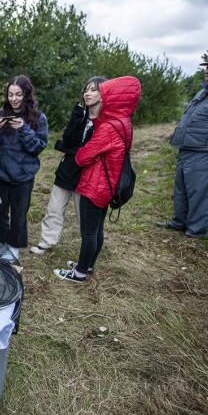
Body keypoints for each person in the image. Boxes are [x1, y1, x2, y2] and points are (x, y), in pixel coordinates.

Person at [54, 76, 141, 282]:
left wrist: (85, 151)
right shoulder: (124, 122)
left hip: (95, 185)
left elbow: (83, 157)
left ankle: (80, 273)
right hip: (108, 184)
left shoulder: (109, 128)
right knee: (97, 229)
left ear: (112, 99)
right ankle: (88, 265)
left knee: (89, 233)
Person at [30, 76, 107, 255]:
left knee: (85, 216)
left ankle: (88, 250)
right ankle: (47, 242)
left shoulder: (107, 120)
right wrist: (77, 115)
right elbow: (68, 139)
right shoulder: (80, 114)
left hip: (88, 174)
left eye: (93, 90)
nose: (87, 93)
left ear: (104, 93)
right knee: (54, 208)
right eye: (86, 90)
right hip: (68, 168)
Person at [0, 75, 48, 261]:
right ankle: (0, 240)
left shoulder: (38, 118)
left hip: (23, 175)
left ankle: (14, 246)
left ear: (26, 95)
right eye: (10, 94)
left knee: (19, 214)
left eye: (18, 94)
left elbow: (38, 147)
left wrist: (24, 129)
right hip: (0, 173)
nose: (14, 99)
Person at [155, 60, 208, 238]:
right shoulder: (202, 92)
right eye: (206, 66)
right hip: (185, 149)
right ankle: (180, 222)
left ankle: (196, 231)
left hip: (202, 152)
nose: (206, 70)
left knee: (198, 193)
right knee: (181, 189)